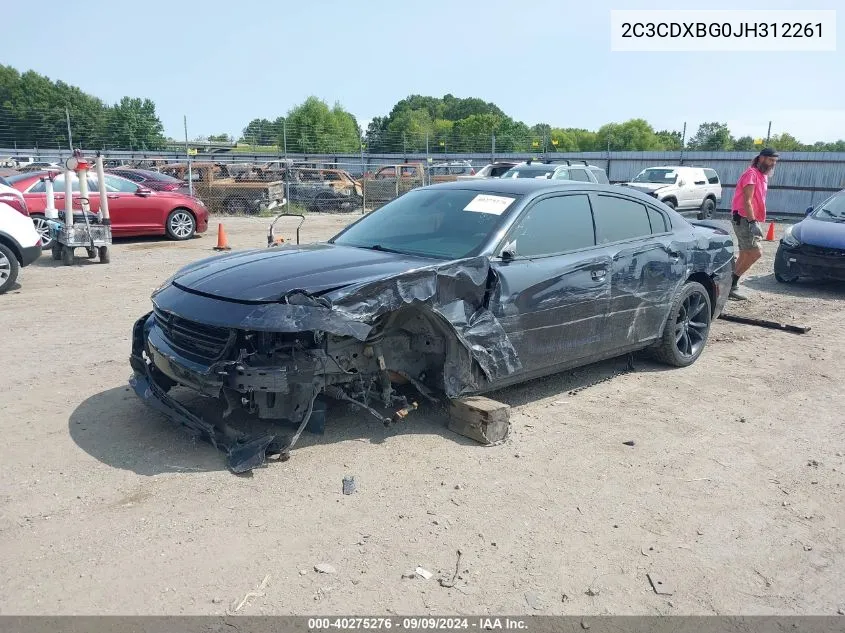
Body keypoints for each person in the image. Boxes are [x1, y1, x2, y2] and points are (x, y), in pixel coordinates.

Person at [729, 147, 779, 300]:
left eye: (775, 161)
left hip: (749, 218)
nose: (773, 164)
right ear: (762, 158)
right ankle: (731, 284)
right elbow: (747, 200)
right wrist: (752, 222)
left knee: (745, 253)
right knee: (756, 253)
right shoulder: (751, 174)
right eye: (771, 160)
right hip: (744, 218)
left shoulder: (762, 175)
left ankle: (729, 285)